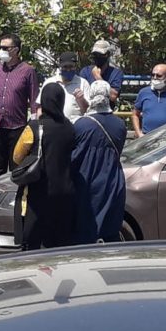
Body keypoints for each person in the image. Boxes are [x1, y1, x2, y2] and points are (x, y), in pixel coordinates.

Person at [12, 82, 75, 250]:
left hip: (38, 192)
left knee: (34, 242)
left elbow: (17, 156)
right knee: (58, 243)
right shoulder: (70, 128)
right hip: (64, 193)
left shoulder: (34, 127)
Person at [71, 80, 127, 245]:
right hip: (113, 181)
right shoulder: (120, 125)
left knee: (85, 232)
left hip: (87, 180)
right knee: (110, 230)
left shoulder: (81, 124)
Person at [0, 33, 40, 179]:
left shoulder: (28, 71)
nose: (2, 51)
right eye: (0, 47)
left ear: (16, 50)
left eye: (5, 48)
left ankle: (15, 193)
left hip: (17, 127)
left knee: (16, 167)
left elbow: (34, 100)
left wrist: (34, 125)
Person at [37, 52, 92, 123]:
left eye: (71, 66)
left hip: (75, 126)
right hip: (53, 126)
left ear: (75, 66)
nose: (68, 70)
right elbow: (40, 108)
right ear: (60, 67)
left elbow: (88, 111)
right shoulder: (49, 83)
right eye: (65, 67)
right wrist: (40, 125)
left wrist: (81, 100)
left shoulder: (83, 83)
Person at [132, 63, 166, 137]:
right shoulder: (143, 92)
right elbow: (135, 114)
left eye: (159, 76)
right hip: (146, 137)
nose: (155, 78)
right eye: (153, 75)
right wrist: (139, 133)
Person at [79, 40, 124, 109]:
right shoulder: (85, 72)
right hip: (89, 111)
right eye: (95, 54)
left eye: (100, 54)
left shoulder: (116, 73)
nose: (97, 57)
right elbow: (81, 95)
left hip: (107, 111)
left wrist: (98, 77)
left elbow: (113, 96)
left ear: (108, 54)